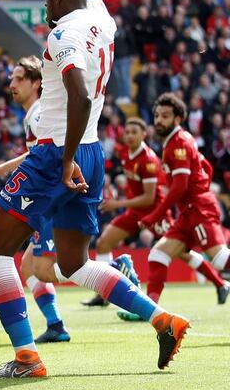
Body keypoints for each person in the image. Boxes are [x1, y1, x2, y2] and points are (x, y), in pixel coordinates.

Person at [0, 0, 188, 379]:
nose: (46, 2)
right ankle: (162, 319)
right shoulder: (101, 17)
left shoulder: (63, 32)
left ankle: (27, 357)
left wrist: (65, 158)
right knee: (73, 265)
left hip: (58, 152)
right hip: (91, 151)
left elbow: (80, 93)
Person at [83, 117, 227, 307]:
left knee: (183, 253)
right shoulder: (125, 154)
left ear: (144, 135)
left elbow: (150, 198)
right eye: (127, 132)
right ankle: (104, 294)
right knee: (103, 243)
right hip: (134, 213)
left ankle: (220, 283)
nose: (129, 136)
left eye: (134, 132)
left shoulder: (149, 159)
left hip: (155, 213)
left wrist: (118, 204)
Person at [0, 57, 69, 343]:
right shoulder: (32, 115)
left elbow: (49, 153)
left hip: (46, 198)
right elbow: (35, 154)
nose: (12, 84)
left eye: (19, 79)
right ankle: (56, 324)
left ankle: (114, 270)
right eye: (12, 78)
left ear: (36, 83)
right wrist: (1, 168)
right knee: (28, 267)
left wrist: (0, 168)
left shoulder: (38, 114)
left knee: (46, 268)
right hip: (45, 197)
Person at [128, 94, 230, 320]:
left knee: (221, 259)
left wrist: (155, 214)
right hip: (189, 211)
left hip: (199, 209)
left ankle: (220, 284)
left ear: (178, 118)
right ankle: (150, 309)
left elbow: (180, 187)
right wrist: (201, 184)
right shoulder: (180, 140)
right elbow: (205, 166)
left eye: (165, 116)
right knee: (158, 254)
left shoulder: (178, 143)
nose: (159, 120)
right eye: (156, 116)